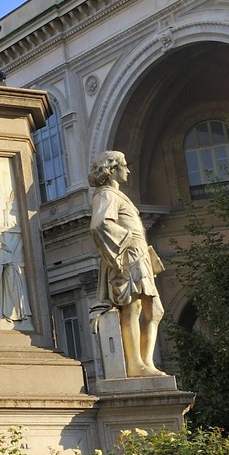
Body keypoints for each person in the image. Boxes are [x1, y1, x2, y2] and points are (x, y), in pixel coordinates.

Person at [89, 150, 167, 377]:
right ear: (112, 169)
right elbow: (99, 224)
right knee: (132, 307)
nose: (128, 170)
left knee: (155, 311)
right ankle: (135, 365)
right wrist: (126, 241)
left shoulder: (117, 195)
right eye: (124, 165)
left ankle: (146, 362)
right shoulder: (106, 194)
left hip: (140, 256)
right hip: (128, 256)